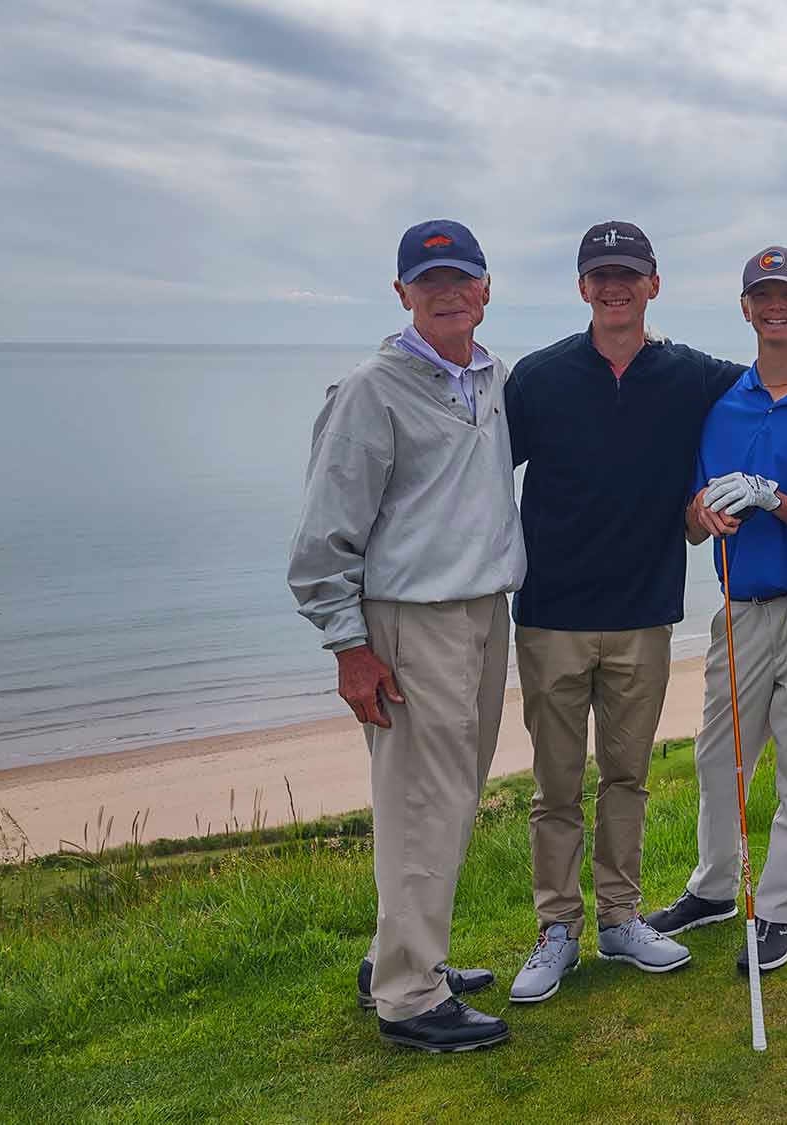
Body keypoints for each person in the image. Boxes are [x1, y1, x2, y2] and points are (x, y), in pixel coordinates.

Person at [504, 222, 787, 1004]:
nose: (615, 287)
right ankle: (613, 915)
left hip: (747, 607)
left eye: (628, 274)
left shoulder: (728, 385)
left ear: (654, 286)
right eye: (601, 274)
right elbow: (693, 512)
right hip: (593, 612)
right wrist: (706, 510)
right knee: (651, 770)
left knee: (712, 773)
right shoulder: (557, 380)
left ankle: (729, 913)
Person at [287, 219, 522, 1052]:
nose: (449, 291)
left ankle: (406, 956)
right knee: (421, 802)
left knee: (446, 798)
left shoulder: (491, 380)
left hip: (483, 614)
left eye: (462, 277)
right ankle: (409, 999)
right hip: (410, 622)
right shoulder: (370, 391)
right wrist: (349, 646)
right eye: (431, 282)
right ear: (402, 295)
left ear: (486, 288)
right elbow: (324, 538)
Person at [642, 247, 787, 973]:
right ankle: (713, 890)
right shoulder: (722, 404)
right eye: (763, 295)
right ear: (744, 307)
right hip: (739, 606)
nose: (777, 306)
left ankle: (782, 911)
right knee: (717, 758)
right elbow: (693, 518)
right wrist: (706, 510)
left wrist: (774, 497)